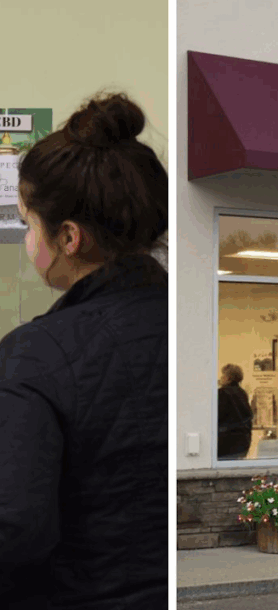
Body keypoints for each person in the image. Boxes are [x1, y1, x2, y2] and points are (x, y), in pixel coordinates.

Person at [0, 94, 168, 609]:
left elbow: (15, 529)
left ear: (69, 237)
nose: (29, 242)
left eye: (29, 224)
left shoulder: (37, 353)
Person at [217, 364, 253, 459]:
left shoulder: (222, 393)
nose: (220, 378)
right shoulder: (242, 393)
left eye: (222, 375)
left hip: (226, 441)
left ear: (228, 377)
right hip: (243, 441)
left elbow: (219, 415)